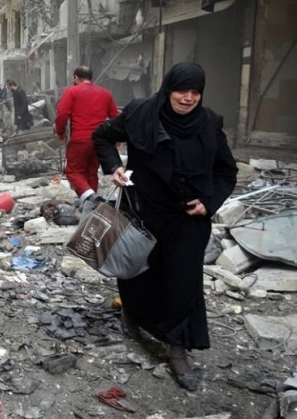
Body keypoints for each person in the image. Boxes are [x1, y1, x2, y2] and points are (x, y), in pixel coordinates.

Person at [92, 63, 237, 391]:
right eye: (181, 90)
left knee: (184, 281)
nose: (188, 98)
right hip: (143, 211)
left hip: (188, 218)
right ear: (168, 89)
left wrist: (209, 202)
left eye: (195, 92)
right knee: (138, 273)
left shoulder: (209, 123)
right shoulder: (140, 113)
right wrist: (114, 167)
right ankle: (132, 313)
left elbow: (226, 172)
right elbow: (102, 136)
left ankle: (177, 349)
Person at [54, 66, 119, 205]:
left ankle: (89, 196)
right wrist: (116, 138)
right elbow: (116, 117)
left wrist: (60, 132)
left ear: (76, 78)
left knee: (73, 171)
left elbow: (62, 114)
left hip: (80, 138)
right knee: (91, 171)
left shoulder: (72, 91)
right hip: (100, 140)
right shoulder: (105, 93)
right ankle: (91, 204)